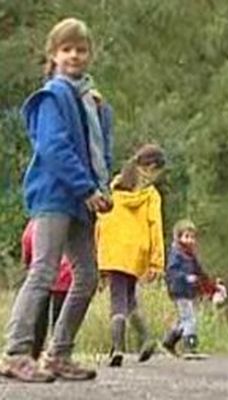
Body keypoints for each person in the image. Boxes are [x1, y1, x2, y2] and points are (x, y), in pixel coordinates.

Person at [0, 17, 113, 383]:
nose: (75, 56)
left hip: (83, 198)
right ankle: (15, 351)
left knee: (87, 276)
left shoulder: (90, 99)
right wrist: (86, 188)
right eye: (67, 50)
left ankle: (58, 353)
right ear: (53, 55)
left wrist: (101, 189)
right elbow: (52, 147)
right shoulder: (53, 96)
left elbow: (98, 147)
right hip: (55, 193)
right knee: (44, 270)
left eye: (81, 50)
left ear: (90, 54)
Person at [96, 144, 166, 367]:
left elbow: (101, 220)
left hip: (113, 249)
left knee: (120, 298)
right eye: (158, 172)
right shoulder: (150, 195)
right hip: (136, 252)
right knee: (128, 296)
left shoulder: (114, 188)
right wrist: (157, 261)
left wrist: (98, 252)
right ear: (151, 167)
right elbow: (155, 227)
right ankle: (143, 339)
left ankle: (119, 347)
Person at [21, 220, 73, 361]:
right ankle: (56, 352)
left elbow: (27, 246)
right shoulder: (68, 224)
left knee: (39, 319)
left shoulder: (33, 225)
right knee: (60, 318)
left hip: (43, 279)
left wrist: (27, 265)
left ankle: (35, 352)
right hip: (65, 277)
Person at [163, 219, 205, 357]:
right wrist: (185, 277)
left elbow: (200, 271)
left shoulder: (191, 255)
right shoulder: (176, 254)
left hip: (189, 291)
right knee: (189, 318)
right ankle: (190, 347)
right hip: (179, 290)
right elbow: (172, 271)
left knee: (184, 319)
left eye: (192, 237)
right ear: (179, 237)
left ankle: (169, 340)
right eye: (186, 236)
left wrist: (213, 286)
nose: (190, 240)